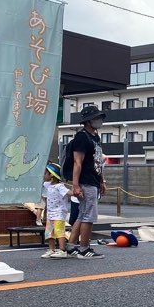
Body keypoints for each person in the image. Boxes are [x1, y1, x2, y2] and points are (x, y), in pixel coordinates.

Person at [67, 106, 106, 259]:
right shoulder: (81, 137)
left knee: (82, 214)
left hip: (94, 180)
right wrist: (75, 185)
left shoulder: (95, 137)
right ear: (88, 121)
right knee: (89, 215)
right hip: (86, 181)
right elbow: (78, 163)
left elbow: (98, 161)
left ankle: (71, 246)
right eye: (97, 118)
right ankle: (84, 248)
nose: (100, 120)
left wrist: (101, 180)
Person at [41, 163, 71, 259]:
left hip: (59, 213)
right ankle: (51, 249)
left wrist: (76, 191)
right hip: (50, 213)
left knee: (59, 232)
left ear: (52, 175)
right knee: (50, 233)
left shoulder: (60, 186)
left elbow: (69, 193)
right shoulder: (48, 185)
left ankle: (62, 250)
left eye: (46, 173)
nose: (44, 175)